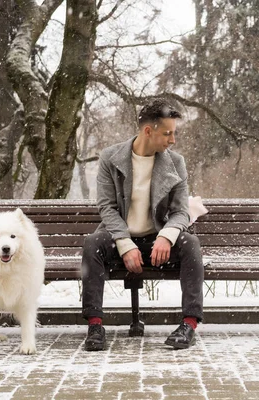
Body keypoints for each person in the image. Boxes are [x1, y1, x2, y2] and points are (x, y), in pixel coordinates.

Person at [81, 98, 204, 351]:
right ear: (149, 131)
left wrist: (167, 236)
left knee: (190, 244)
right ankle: (95, 326)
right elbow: (107, 208)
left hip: (157, 241)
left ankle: (189, 325)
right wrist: (124, 243)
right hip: (119, 238)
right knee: (92, 243)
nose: (173, 140)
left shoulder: (175, 162)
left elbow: (180, 211)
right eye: (168, 133)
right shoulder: (110, 158)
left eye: (174, 133)